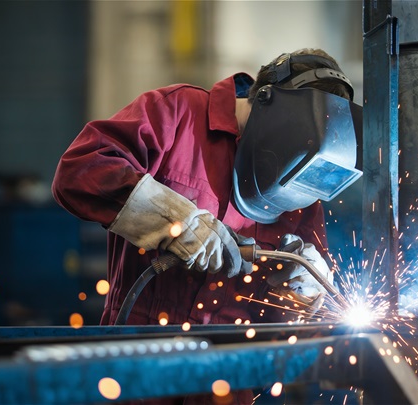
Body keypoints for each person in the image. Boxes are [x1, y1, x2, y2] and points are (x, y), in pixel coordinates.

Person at [52, 48, 361, 403]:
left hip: (227, 384)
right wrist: (175, 221)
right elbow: (78, 172)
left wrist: (307, 292)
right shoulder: (179, 112)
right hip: (133, 368)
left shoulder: (305, 183)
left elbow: (292, 331)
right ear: (269, 104)